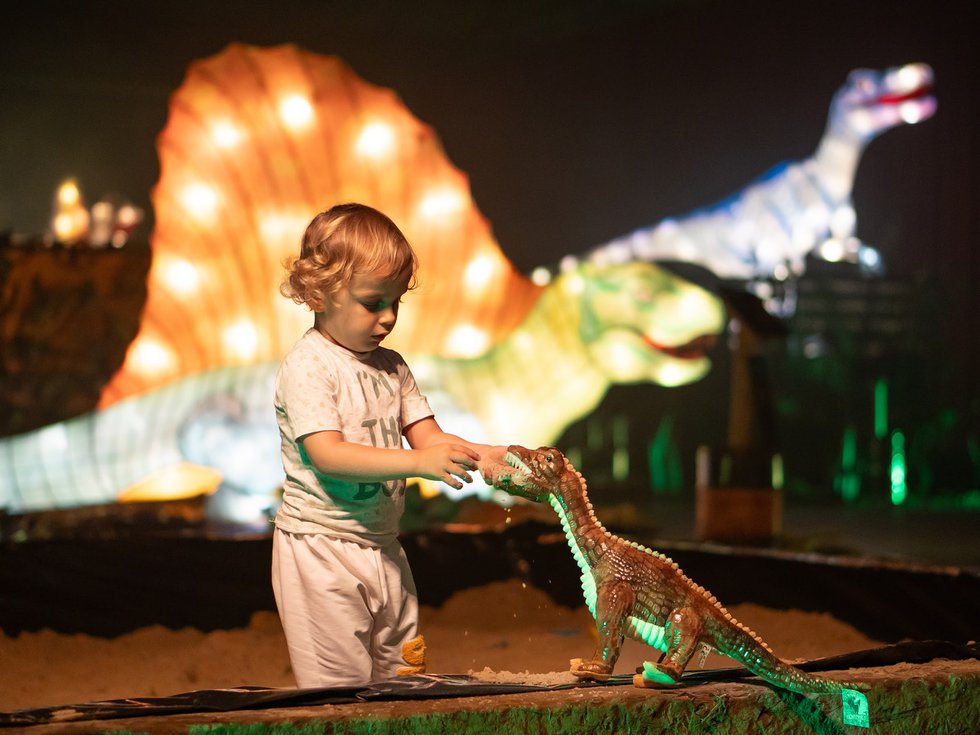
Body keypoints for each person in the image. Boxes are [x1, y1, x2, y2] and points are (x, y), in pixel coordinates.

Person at [272, 202, 504, 688]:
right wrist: (420, 462)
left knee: (404, 676)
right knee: (340, 690)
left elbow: (430, 436)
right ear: (320, 293)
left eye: (396, 301)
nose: (389, 316)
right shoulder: (309, 366)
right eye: (373, 302)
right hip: (321, 549)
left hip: (383, 547)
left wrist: (492, 457)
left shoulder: (391, 366)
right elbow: (327, 453)